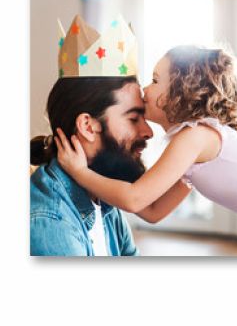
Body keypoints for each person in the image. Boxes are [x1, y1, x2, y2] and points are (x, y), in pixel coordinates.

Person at [55, 45, 237, 224]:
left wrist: (80, 172)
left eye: (154, 80)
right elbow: (153, 211)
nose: (145, 89)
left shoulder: (195, 137)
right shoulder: (193, 146)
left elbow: (134, 200)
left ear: (182, 90)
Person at [30, 76, 191, 256]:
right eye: (133, 119)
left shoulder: (103, 195)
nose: (149, 132)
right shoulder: (52, 222)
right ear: (87, 127)